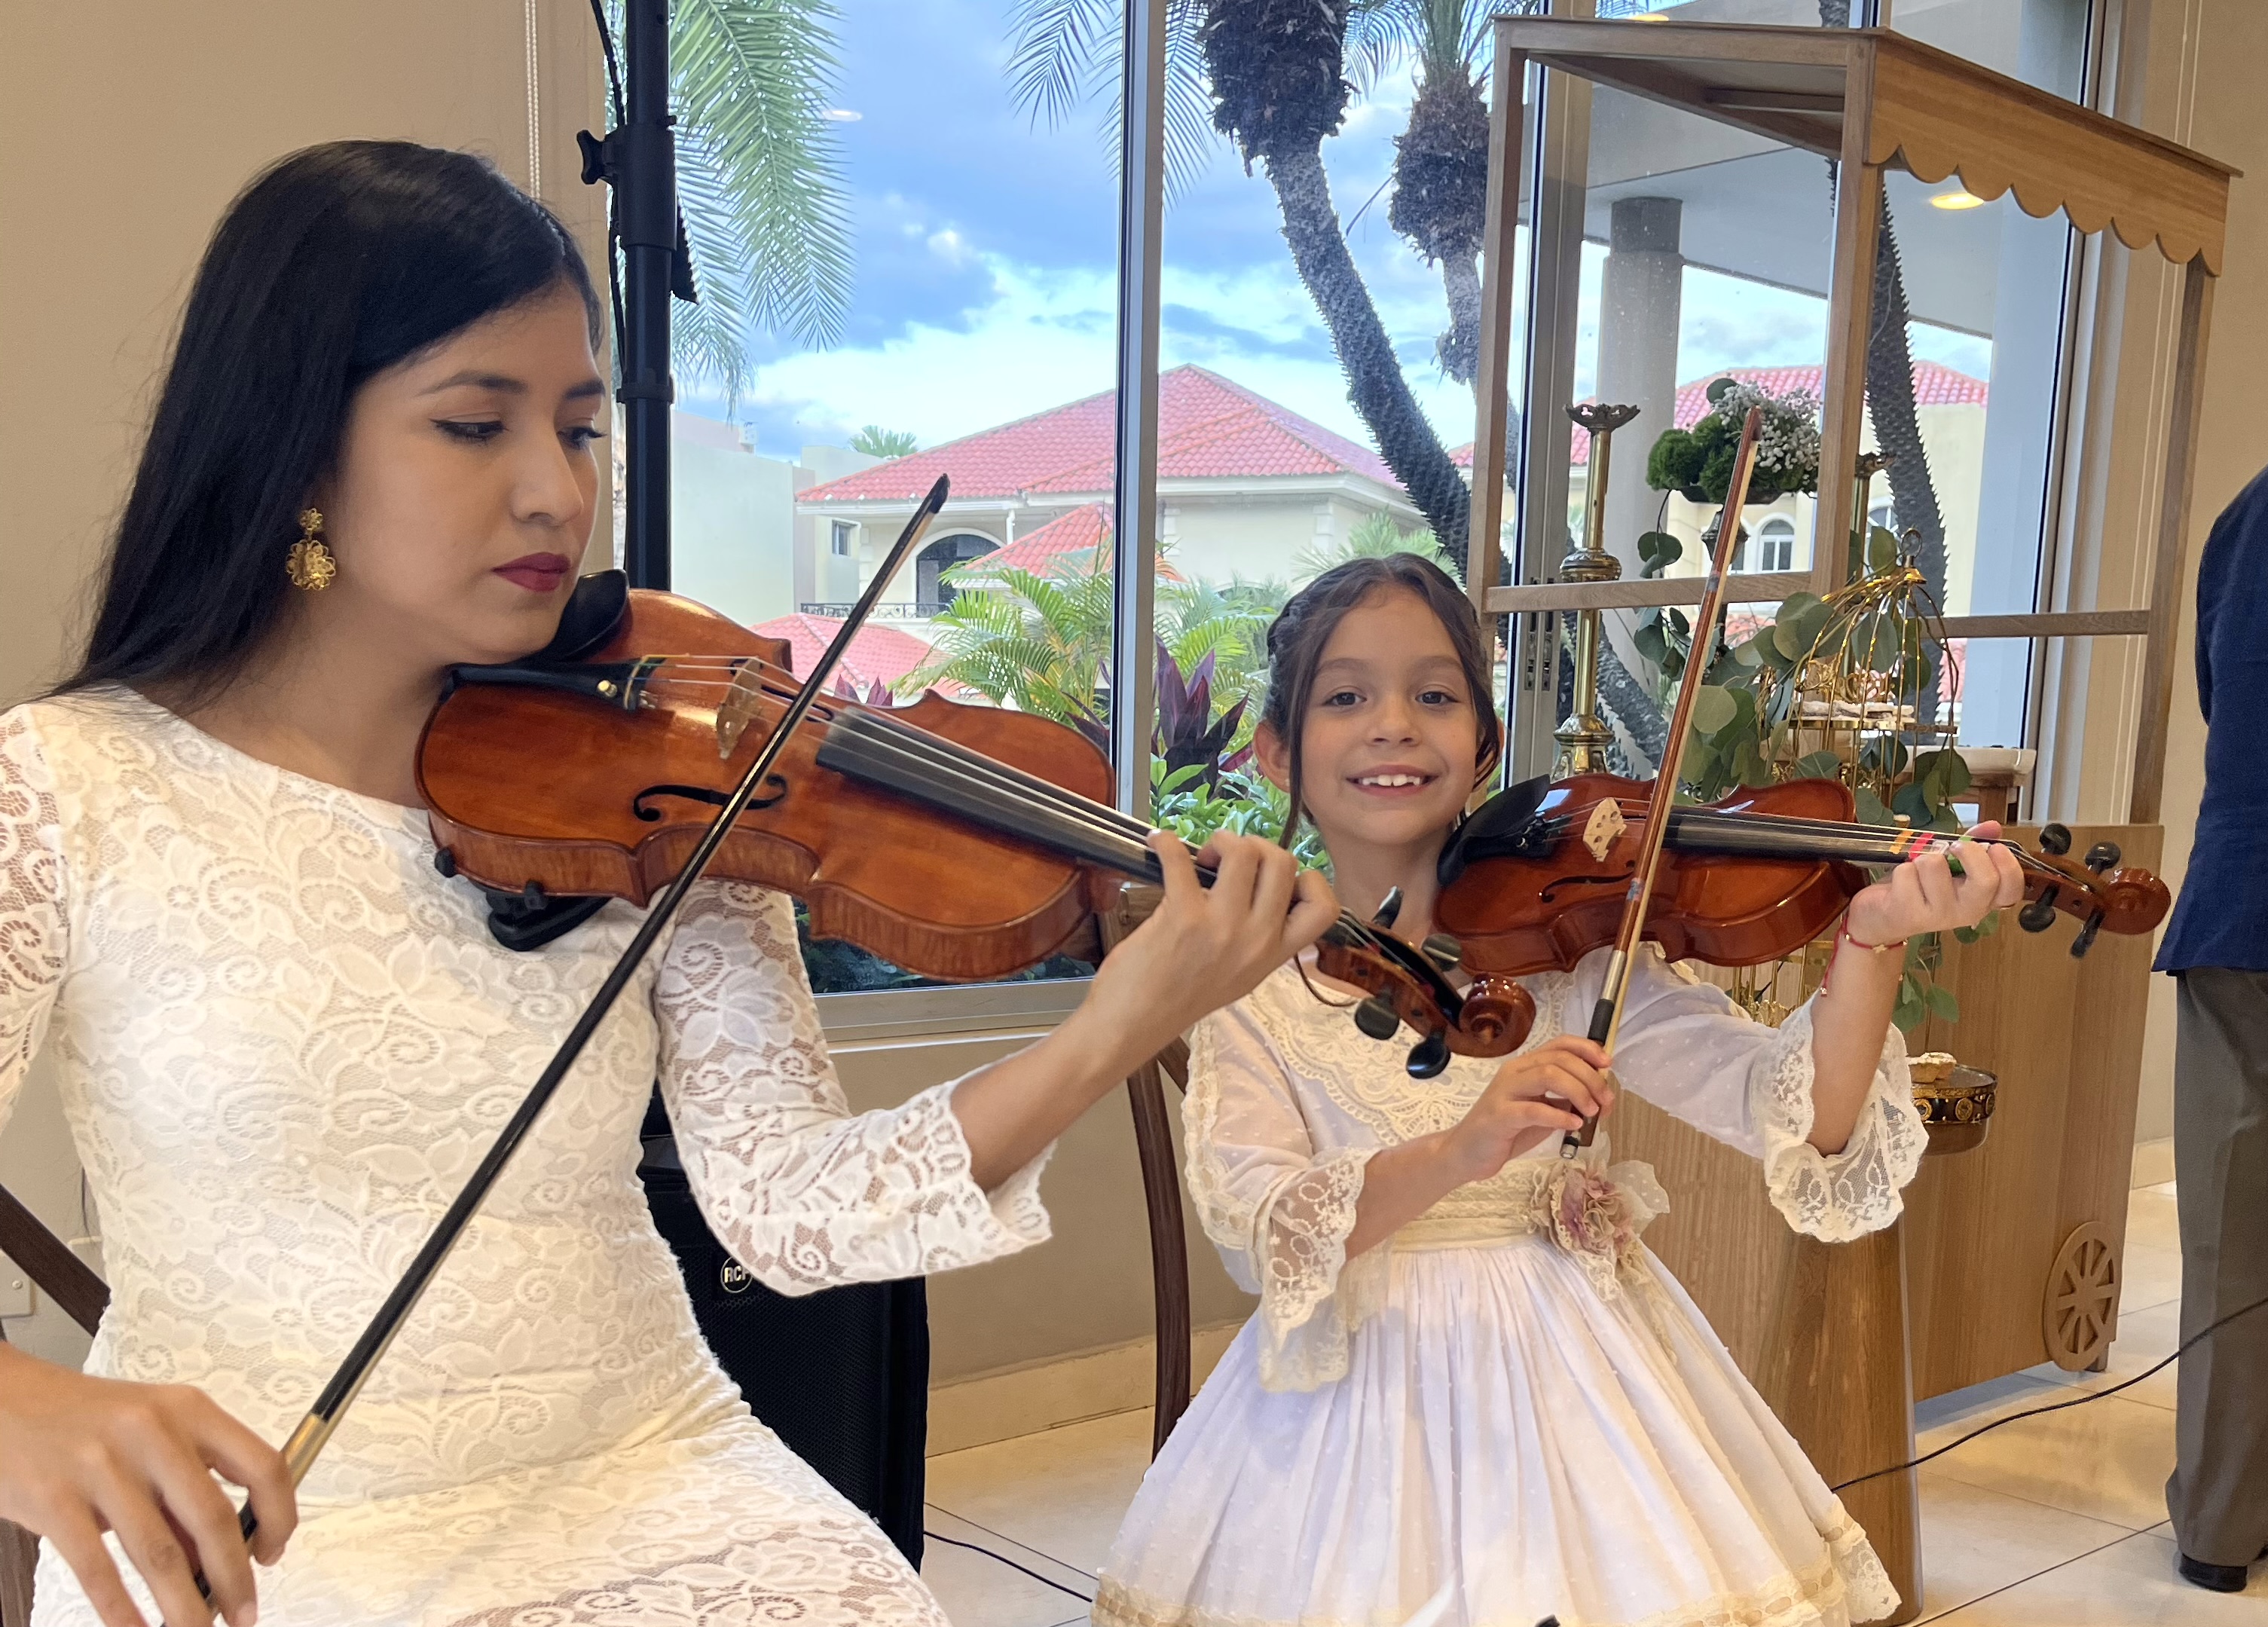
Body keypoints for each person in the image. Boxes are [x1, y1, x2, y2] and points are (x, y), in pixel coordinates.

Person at [0, 141, 1339, 1627]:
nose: (551, 490)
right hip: (273, 1527)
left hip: (654, 1468)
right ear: (294, 448)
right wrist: (19, 1407)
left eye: (580, 428)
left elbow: (792, 1212)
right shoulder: (64, 787)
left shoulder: (658, 774)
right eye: (471, 425)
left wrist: (1113, 1027)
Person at [1093, 555, 2025, 1627]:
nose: (1394, 724)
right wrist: (1462, 1147)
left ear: (1482, 746)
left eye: (1435, 696)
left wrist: (1870, 939)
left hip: (1581, 1375)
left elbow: (1804, 1110)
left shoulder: (1574, 952)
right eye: (1346, 697)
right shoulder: (1249, 983)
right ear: (1277, 753)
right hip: (1354, 1404)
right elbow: (1265, 1234)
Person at [2150, 458, 2268, 1593]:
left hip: (2243, 897)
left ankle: (2221, 1531)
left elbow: (2215, 694)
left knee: (2233, 1245)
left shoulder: (2246, 510)